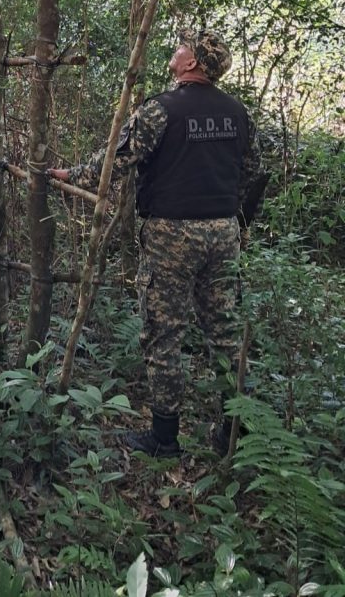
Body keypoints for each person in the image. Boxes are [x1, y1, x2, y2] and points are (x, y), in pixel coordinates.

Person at [50, 30, 265, 457]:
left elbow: (117, 159)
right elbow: (253, 169)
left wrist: (72, 176)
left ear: (193, 63)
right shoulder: (238, 112)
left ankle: (164, 438)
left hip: (172, 235)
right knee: (224, 331)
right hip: (223, 233)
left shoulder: (162, 109)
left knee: (164, 333)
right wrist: (234, 216)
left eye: (184, 46)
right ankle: (237, 433)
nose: (177, 49)